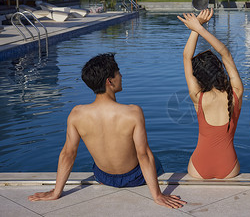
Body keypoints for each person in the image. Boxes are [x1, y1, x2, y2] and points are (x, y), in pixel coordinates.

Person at [28, 53, 186, 209]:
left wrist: (57, 192)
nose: (121, 76)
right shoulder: (132, 112)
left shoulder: (76, 114)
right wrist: (157, 195)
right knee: (155, 160)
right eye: (118, 73)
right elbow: (143, 154)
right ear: (109, 81)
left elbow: (68, 154)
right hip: (134, 178)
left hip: (103, 177)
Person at [178, 8, 243, 179]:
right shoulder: (236, 93)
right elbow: (225, 53)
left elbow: (186, 57)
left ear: (198, 77)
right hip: (229, 165)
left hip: (200, 165)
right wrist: (200, 28)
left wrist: (196, 28)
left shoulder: (197, 96)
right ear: (221, 70)